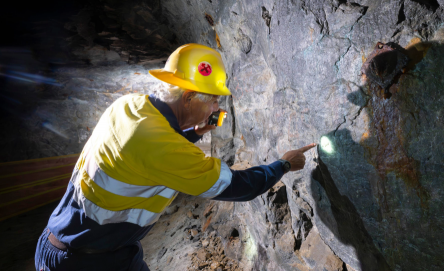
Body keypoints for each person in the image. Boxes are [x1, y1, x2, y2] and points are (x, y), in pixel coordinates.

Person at [34, 43, 315, 270]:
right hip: (88, 262)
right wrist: (284, 164)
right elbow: (238, 186)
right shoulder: (163, 147)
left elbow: (145, 154)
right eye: (213, 100)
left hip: (65, 244)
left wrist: (194, 132)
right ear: (189, 97)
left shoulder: (128, 106)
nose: (216, 107)